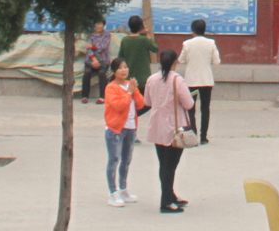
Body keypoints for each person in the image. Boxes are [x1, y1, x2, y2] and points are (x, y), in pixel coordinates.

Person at [145, 48, 195, 213]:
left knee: (163, 163)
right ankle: (166, 201)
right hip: (174, 128)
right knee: (171, 165)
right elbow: (188, 104)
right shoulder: (177, 80)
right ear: (175, 62)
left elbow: (148, 101)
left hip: (157, 125)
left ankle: (169, 195)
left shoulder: (152, 79)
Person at [102, 58, 145, 207]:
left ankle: (123, 188)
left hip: (131, 128)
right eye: (120, 68)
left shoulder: (130, 86)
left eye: (126, 67)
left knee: (126, 160)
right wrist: (129, 93)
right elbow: (119, 106)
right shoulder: (111, 88)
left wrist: (135, 91)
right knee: (114, 159)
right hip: (116, 129)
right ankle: (112, 193)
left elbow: (140, 104)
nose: (124, 70)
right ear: (114, 71)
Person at [178, 18, 221, 145]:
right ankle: (204, 137)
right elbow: (217, 61)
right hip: (206, 80)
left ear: (193, 30)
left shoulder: (187, 44)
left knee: (190, 108)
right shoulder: (211, 43)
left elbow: (181, 60)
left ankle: (194, 134)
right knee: (205, 109)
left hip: (191, 81)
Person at [118, 15, 159, 94]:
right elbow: (155, 48)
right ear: (141, 27)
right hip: (143, 78)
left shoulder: (124, 40)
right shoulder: (144, 40)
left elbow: (120, 57)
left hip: (129, 77)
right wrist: (147, 34)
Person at [79, 21, 111, 104]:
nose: (99, 26)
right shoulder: (91, 36)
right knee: (87, 72)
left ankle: (102, 97)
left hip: (103, 60)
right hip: (91, 60)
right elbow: (88, 49)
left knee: (102, 72)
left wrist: (91, 46)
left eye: (101, 24)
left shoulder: (107, 35)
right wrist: (94, 59)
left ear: (104, 25)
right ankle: (84, 96)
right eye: (97, 24)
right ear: (94, 25)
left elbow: (103, 47)